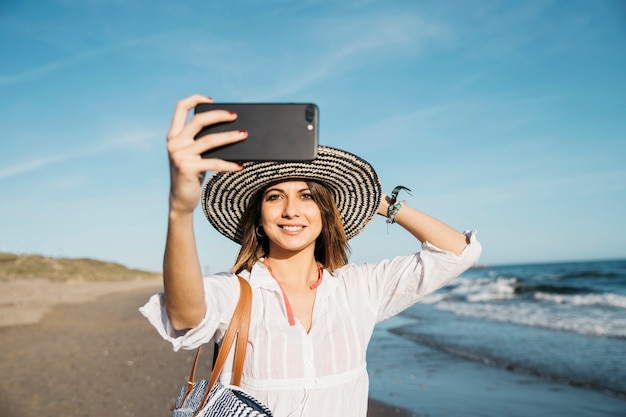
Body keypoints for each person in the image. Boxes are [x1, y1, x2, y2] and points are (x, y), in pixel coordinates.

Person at [140, 94, 482, 417]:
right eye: (274, 197)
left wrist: (376, 202)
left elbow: (457, 253)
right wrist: (180, 210)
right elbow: (185, 316)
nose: (291, 210)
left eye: (307, 196)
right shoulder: (235, 292)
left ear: (325, 211)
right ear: (259, 218)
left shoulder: (358, 288)